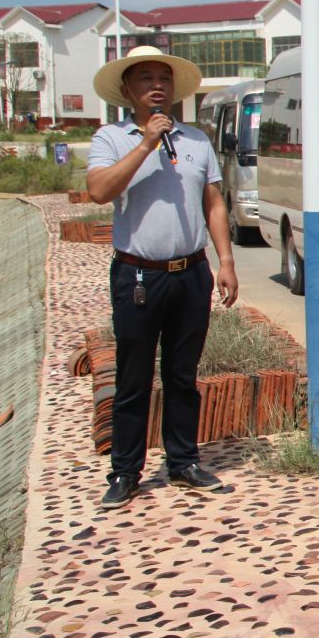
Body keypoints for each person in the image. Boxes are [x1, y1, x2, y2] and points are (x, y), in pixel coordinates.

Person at [86, 47, 239, 510]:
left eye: (164, 79)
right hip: (138, 275)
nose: (158, 86)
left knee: (182, 374)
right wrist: (146, 144)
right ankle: (126, 471)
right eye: (147, 79)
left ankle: (183, 460)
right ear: (128, 91)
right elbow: (98, 191)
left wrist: (225, 260)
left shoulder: (194, 140)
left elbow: (213, 203)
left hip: (189, 272)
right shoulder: (111, 138)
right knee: (133, 377)